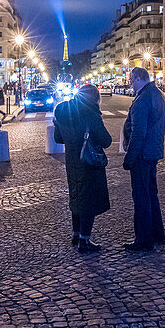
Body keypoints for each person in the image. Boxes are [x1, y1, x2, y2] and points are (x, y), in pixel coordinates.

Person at [53, 83, 113, 253]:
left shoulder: (63, 110)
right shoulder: (91, 114)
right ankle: (85, 241)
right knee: (89, 200)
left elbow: (58, 138)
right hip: (88, 161)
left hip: (71, 161)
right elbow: (106, 140)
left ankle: (76, 233)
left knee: (76, 195)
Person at [122, 67, 165, 252]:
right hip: (153, 151)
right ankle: (157, 234)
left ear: (139, 78)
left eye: (132, 80)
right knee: (151, 194)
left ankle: (143, 239)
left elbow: (138, 133)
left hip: (142, 154)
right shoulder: (158, 94)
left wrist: (129, 158)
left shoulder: (142, 99)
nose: (130, 83)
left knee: (141, 197)